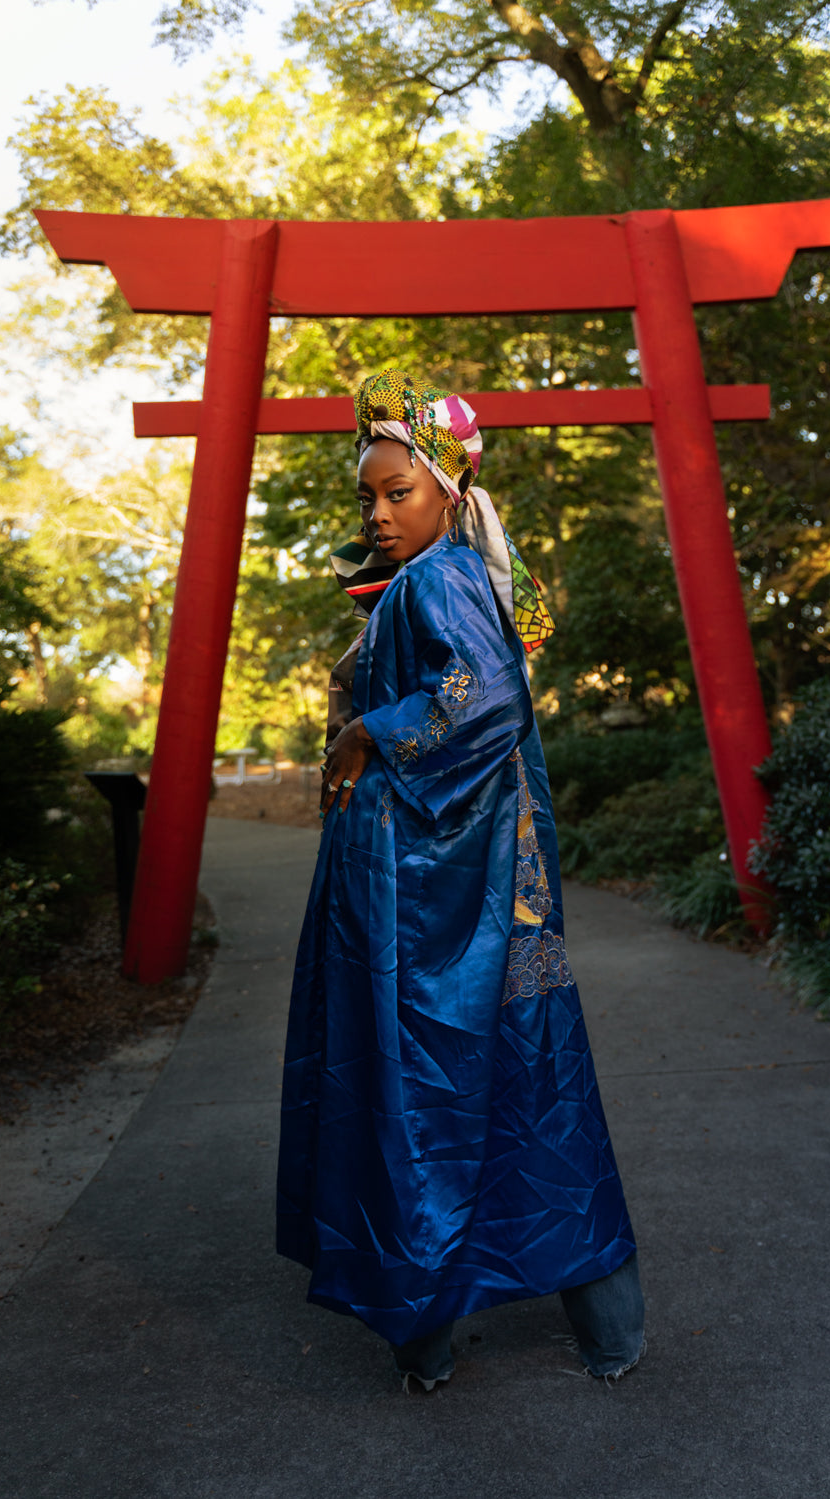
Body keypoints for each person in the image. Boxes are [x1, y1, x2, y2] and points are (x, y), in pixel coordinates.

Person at [276, 370, 644, 1390]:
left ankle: (427, 1330)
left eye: (396, 490)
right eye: (368, 496)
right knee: (520, 1085)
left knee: (421, 1085)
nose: (379, 510)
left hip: (434, 899)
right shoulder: (432, 580)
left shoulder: (439, 580)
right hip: (445, 883)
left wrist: (369, 730)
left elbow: (474, 692)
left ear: (445, 486)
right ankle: (587, 1325)